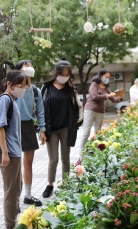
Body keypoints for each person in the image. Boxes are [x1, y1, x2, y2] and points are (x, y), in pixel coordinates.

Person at [0, 70, 29, 229]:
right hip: (9, 153)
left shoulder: (12, 100)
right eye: (19, 85)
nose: (22, 89)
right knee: (11, 191)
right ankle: (9, 228)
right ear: (9, 84)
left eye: (23, 86)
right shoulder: (5, 100)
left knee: (16, 188)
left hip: (14, 151)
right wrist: (5, 154)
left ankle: (12, 224)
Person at [41, 59, 83, 198]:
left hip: (66, 128)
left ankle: (66, 184)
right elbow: (40, 109)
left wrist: (77, 122)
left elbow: (79, 106)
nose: (65, 77)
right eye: (62, 74)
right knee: (53, 160)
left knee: (66, 159)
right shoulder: (46, 88)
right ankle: (50, 184)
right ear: (55, 73)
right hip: (51, 129)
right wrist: (41, 129)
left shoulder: (71, 89)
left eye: (67, 74)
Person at [14, 59, 46, 207]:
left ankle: (27, 195)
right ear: (19, 70)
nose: (30, 67)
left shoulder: (35, 91)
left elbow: (40, 112)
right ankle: (13, 199)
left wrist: (42, 129)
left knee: (28, 164)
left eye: (31, 65)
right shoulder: (13, 88)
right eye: (26, 65)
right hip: (13, 127)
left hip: (27, 126)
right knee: (13, 166)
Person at [78, 68, 117, 154]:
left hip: (100, 111)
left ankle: (95, 150)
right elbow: (95, 96)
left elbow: (113, 99)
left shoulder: (107, 87)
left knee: (98, 132)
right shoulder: (94, 84)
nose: (107, 78)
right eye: (106, 76)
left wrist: (119, 97)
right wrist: (107, 96)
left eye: (109, 77)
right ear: (100, 76)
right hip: (90, 110)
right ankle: (81, 151)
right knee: (86, 132)